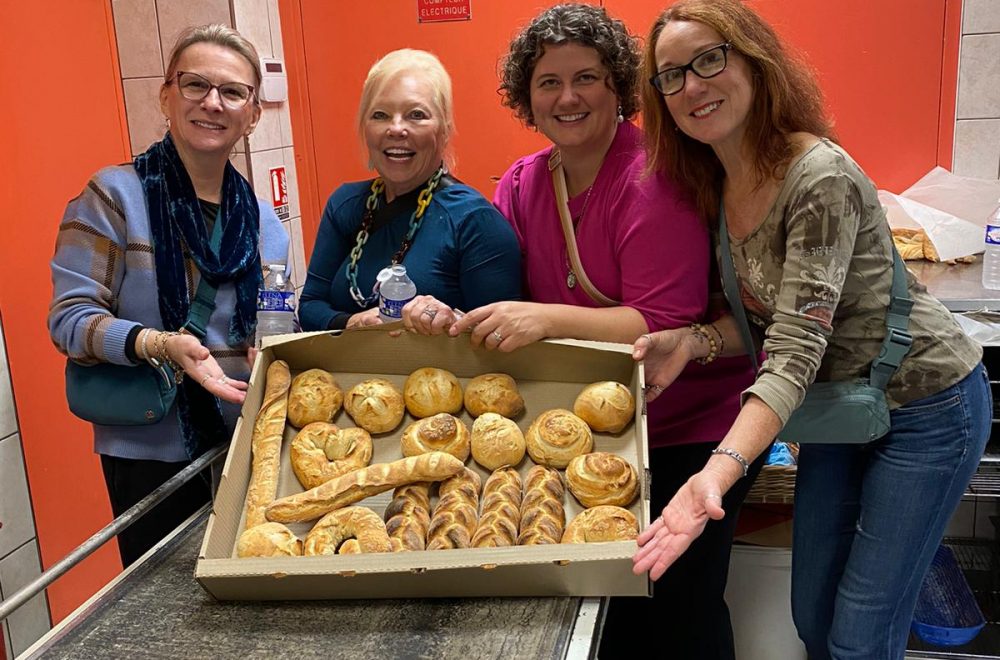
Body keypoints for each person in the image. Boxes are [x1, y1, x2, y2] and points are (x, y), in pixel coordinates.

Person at [634, 2, 990, 658]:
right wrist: (692, 341)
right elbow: (770, 319)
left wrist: (717, 472)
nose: (693, 86)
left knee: (859, 634)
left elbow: (797, 346)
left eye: (710, 59)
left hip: (928, 403)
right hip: (839, 411)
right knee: (812, 614)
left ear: (754, 61)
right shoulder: (716, 180)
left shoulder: (817, 175)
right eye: (672, 75)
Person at [402, 6, 758, 657]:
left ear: (619, 87)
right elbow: (498, 299)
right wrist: (445, 313)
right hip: (592, 429)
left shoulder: (656, 177)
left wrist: (543, 318)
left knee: (677, 608)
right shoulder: (522, 181)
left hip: (685, 427)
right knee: (602, 615)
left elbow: (661, 324)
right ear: (525, 96)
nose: (567, 97)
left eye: (586, 78)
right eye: (548, 82)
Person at [49, 25, 289, 567]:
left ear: (253, 113)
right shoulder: (112, 197)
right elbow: (70, 320)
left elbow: (274, 322)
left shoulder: (266, 227)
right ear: (165, 95)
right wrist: (159, 344)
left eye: (233, 92)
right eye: (194, 84)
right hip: (149, 452)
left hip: (245, 446)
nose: (212, 103)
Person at [298, 49, 521, 331]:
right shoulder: (345, 204)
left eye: (416, 115)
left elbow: (503, 340)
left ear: (444, 129)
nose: (396, 129)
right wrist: (351, 322)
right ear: (364, 127)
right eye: (380, 115)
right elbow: (309, 306)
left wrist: (453, 322)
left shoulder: (475, 222)